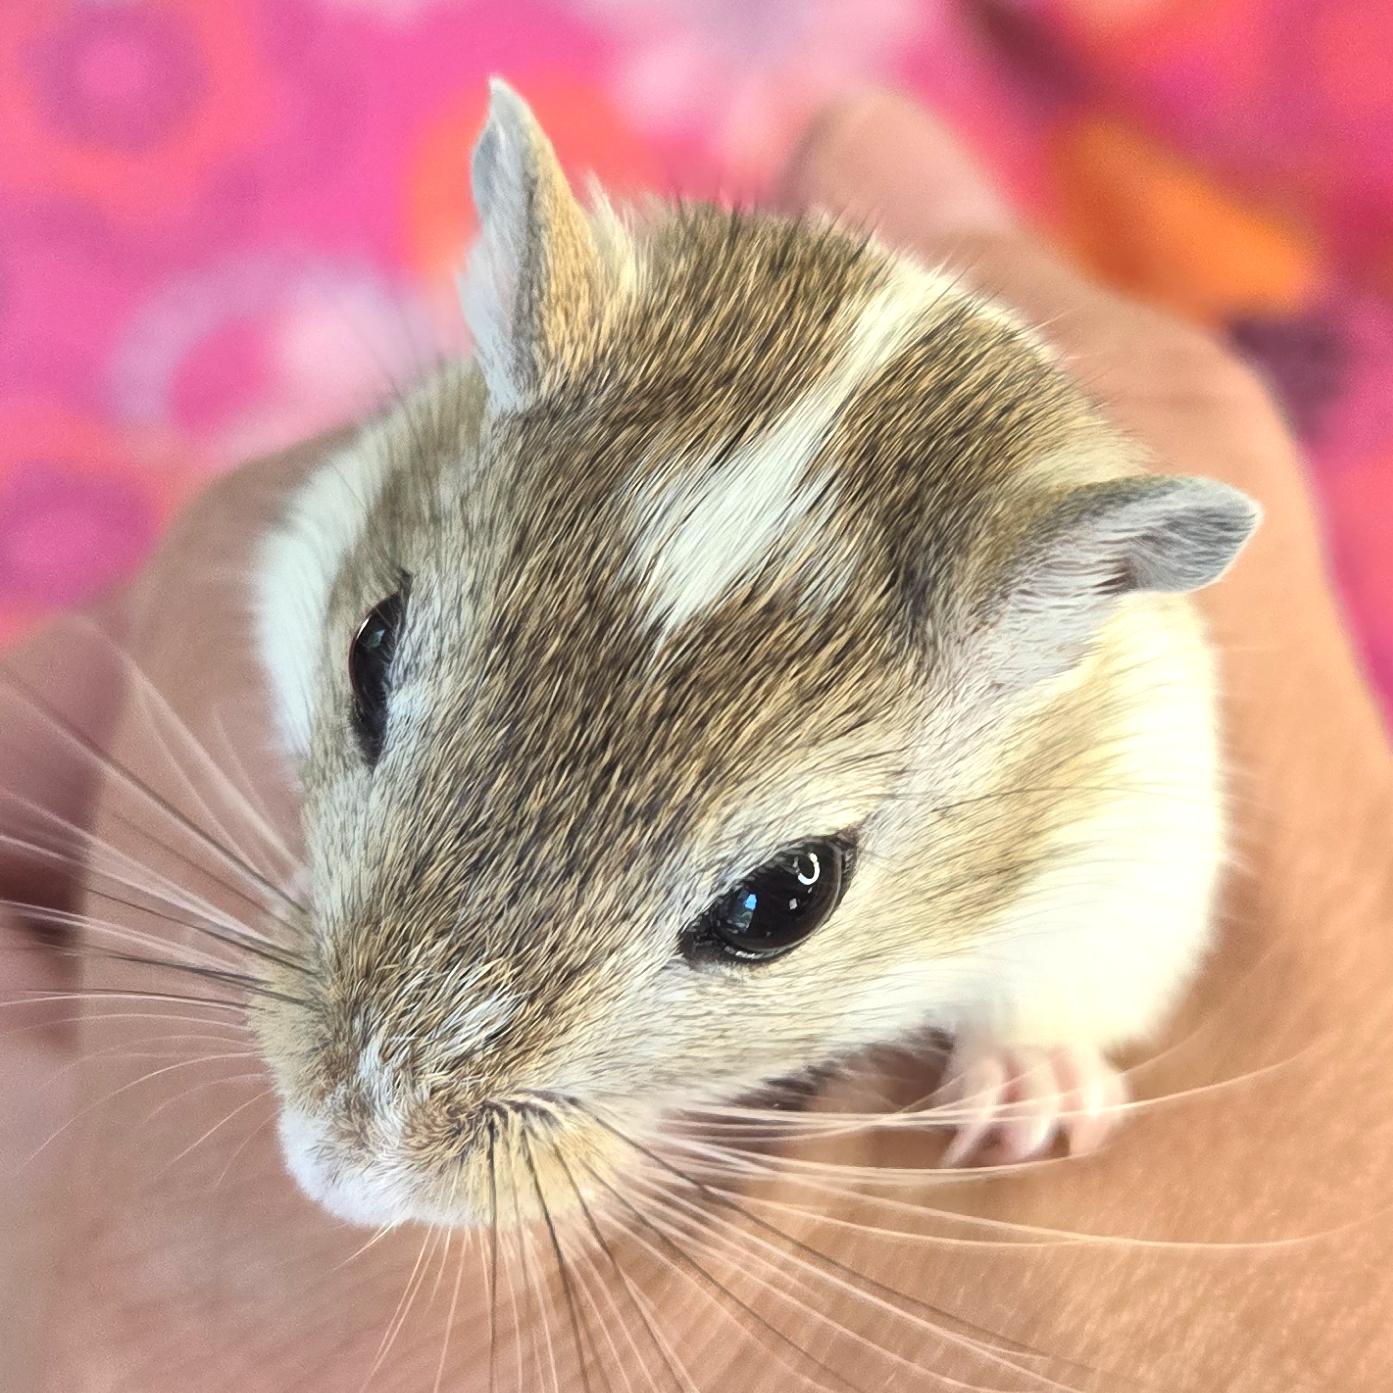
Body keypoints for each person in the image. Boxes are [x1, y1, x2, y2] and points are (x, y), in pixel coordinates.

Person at [4, 90, 1391, 1392]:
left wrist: (1052, 1030)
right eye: (383, 673)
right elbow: (302, 555)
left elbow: (1140, 856)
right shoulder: (450, 454)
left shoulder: (1079, 711)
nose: (374, 1133)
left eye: (761, 901)